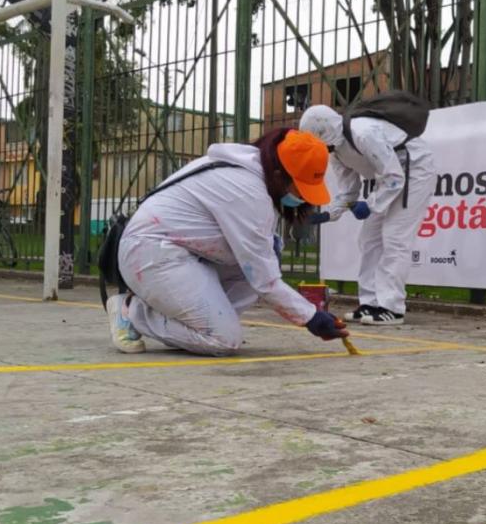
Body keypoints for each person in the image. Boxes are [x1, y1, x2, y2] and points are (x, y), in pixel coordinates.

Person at [105, 128, 349, 355]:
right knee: (224, 339)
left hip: (180, 253)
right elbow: (265, 280)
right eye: (299, 189)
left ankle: (204, 321)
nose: (301, 198)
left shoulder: (248, 171)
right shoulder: (247, 190)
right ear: (279, 173)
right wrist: (311, 317)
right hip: (151, 253)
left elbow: (259, 268)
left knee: (268, 254)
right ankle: (132, 312)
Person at [299, 104, 436, 326]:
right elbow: (348, 192)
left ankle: (392, 308)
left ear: (325, 133)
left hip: (415, 171)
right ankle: (370, 303)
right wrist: (327, 215)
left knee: (395, 237)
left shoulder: (364, 133)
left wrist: (370, 205)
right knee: (368, 239)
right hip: (389, 179)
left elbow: (394, 177)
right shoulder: (334, 151)